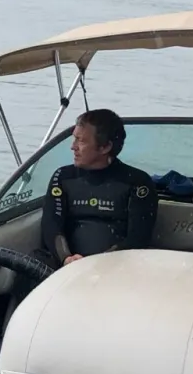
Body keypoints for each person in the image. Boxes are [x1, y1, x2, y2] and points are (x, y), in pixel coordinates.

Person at [40, 108, 157, 265]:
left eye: (81, 141)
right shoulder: (63, 177)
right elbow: (51, 224)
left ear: (105, 147)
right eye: (74, 139)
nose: (73, 147)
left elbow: (138, 238)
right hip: (66, 266)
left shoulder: (137, 182)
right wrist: (66, 258)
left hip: (115, 268)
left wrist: (94, 264)